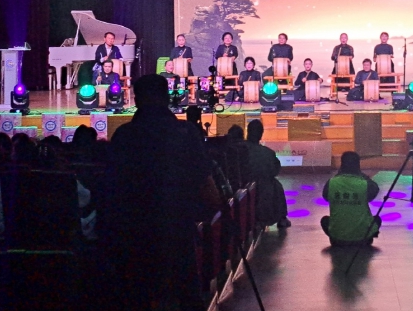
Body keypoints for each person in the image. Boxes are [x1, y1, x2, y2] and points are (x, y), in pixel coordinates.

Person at [105, 74, 218, 310]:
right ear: (167, 98)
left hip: (134, 233)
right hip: (177, 228)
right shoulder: (186, 132)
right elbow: (206, 184)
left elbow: (110, 188)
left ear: (137, 100)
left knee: (139, 296)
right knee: (186, 295)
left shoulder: (124, 135)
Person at [321, 151, 381, 246]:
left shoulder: (331, 183)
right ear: (358, 165)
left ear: (341, 164)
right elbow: (374, 192)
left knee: (325, 220)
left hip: (337, 240)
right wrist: (363, 176)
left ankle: (338, 237)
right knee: (377, 219)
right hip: (363, 239)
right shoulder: (365, 184)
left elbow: (326, 197)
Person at [243, 120, 290, 228]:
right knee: (277, 186)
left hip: (243, 185)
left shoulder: (238, 149)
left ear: (248, 132)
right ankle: (282, 218)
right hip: (263, 190)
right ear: (261, 134)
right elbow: (275, 171)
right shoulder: (268, 153)